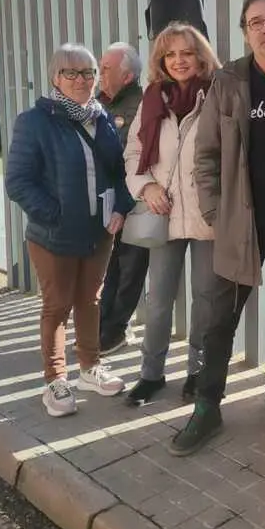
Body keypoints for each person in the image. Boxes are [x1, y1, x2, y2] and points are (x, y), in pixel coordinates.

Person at [167, 0, 265, 457]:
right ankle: (208, 406)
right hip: (239, 226)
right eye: (256, 23)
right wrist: (214, 213)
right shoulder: (230, 81)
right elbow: (204, 153)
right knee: (219, 321)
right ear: (245, 32)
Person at [5, 43, 134, 418]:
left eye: (89, 73)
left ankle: (89, 369)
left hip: (99, 231)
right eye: (71, 73)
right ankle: (55, 380)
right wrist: (57, 215)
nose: (81, 80)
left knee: (90, 301)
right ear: (55, 78)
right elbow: (18, 182)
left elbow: (118, 171)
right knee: (57, 306)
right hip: (54, 236)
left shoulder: (103, 118)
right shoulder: (35, 121)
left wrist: (121, 207)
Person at [123, 21, 221, 407]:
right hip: (161, 213)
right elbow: (133, 152)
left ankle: (197, 373)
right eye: (170, 54)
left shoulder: (217, 95)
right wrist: (145, 187)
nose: (179, 61)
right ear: (161, 61)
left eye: (187, 52)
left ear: (201, 56)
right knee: (159, 298)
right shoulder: (152, 100)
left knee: (206, 298)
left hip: (206, 213)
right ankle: (151, 374)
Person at [97, 42, 149, 355]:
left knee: (130, 269)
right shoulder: (98, 103)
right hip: (105, 201)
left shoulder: (143, 105)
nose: (99, 74)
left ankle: (114, 330)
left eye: (106, 68)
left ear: (127, 76)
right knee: (108, 267)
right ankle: (103, 325)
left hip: (134, 200)